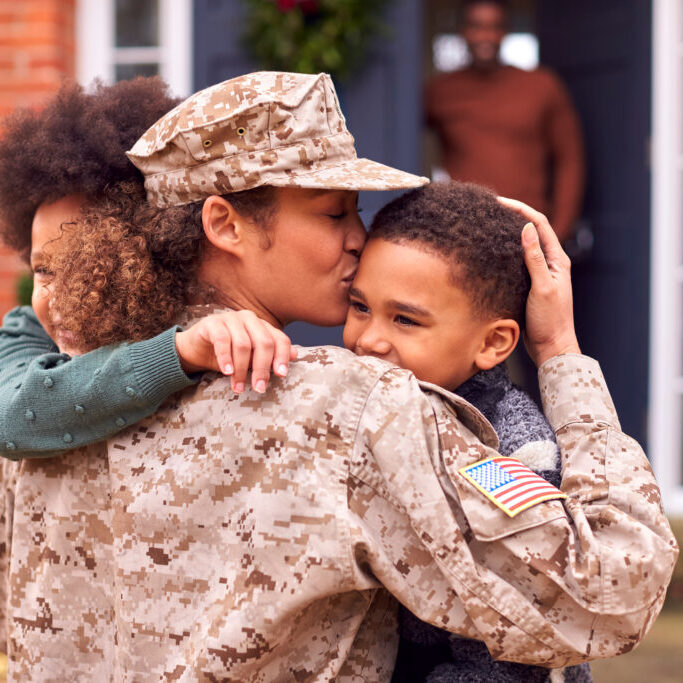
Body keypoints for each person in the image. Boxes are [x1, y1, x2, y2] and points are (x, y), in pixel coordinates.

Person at [0, 72, 676, 680]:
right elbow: (612, 589)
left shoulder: (46, 411)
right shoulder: (347, 410)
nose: (358, 236)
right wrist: (559, 352)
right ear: (224, 223)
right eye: (331, 212)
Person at [425, 0, 585, 243]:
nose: (485, 36)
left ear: (505, 32)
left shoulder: (542, 86)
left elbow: (570, 160)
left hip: (527, 234)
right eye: (476, 25)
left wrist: (558, 233)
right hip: (463, 236)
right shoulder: (440, 92)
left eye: (494, 26)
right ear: (463, 31)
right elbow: (398, 140)